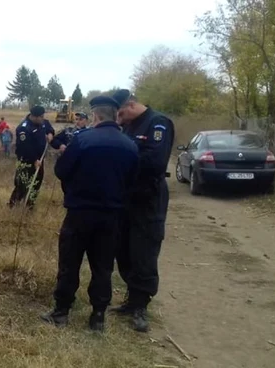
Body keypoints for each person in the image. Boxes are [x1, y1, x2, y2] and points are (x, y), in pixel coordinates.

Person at [40, 95, 139, 332]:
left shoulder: (83, 141)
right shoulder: (130, 145)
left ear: (95, 115)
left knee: (69, 263)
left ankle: (61, 311)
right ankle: (98, 317)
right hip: (111, 216)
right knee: (103, 267)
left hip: (79, 213)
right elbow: (132, 182)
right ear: (116, 116)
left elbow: (62, 171)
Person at [110, 89, 175, 332]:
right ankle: (131, 298)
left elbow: (155, 162)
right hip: (126, 198)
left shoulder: (157, 124)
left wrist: (124, 157)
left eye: (119, 114)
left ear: (130, 105)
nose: (118, 119)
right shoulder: (127, 126)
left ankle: (141, 306)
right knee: (123, 250)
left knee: (144, 253)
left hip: (148, 200)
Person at [8, 106, 54, 209]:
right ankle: (13, 205)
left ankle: (29, 206)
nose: (43, 118)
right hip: (26, 161)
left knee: (36, 183)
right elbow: (25, 147)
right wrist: (34, 160)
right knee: (22, 185)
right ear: (34, 116)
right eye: (41, 117)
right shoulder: (23, 128)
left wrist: (50, 133)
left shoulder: (43, 122)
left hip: (40, 160)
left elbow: (49, 127)